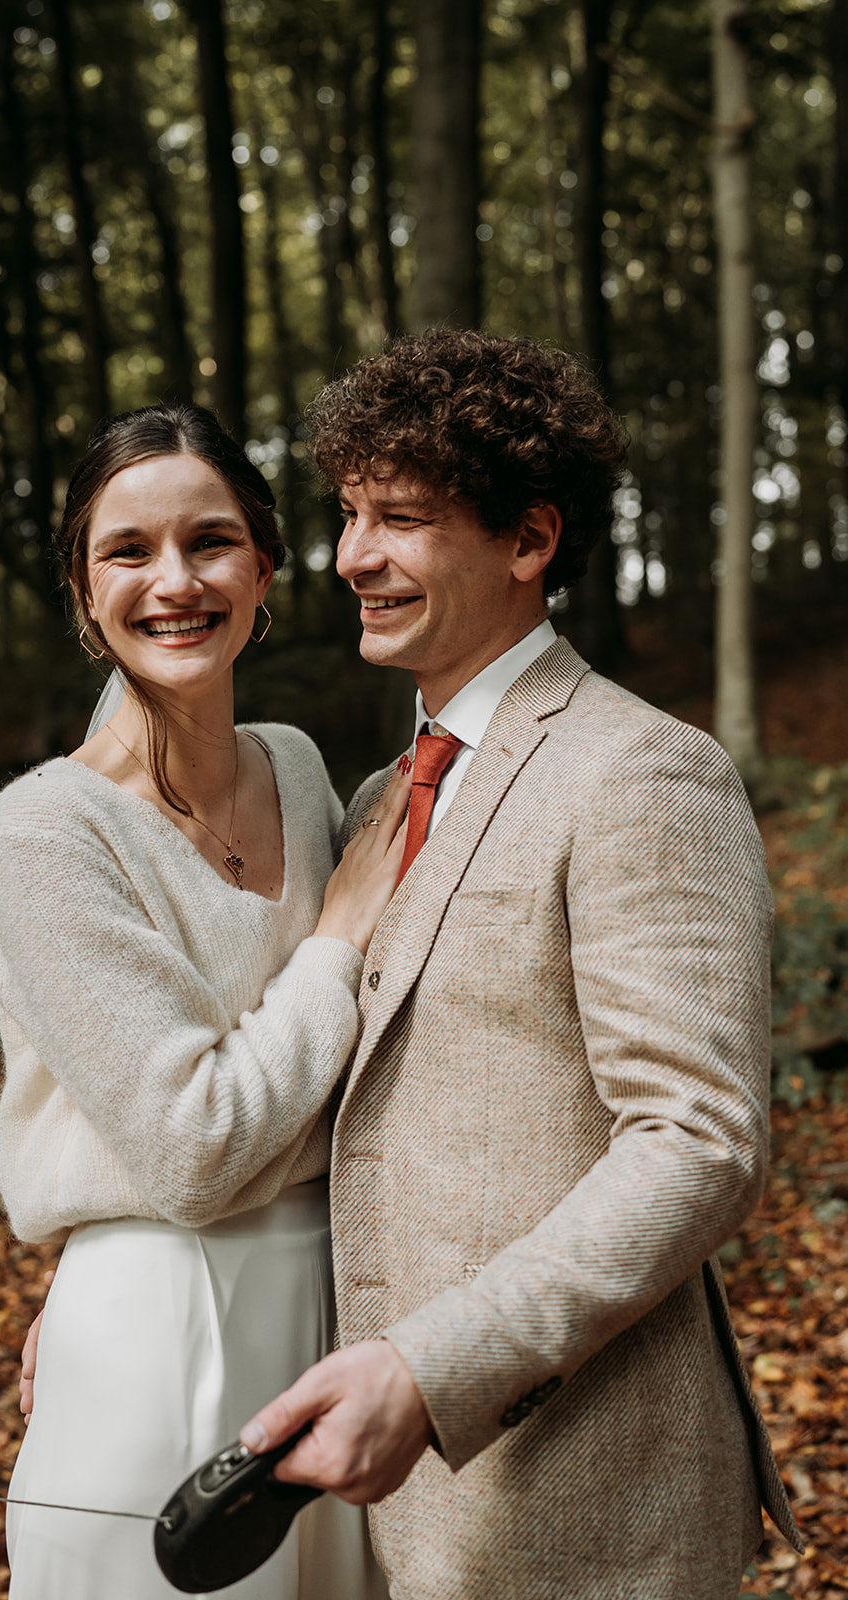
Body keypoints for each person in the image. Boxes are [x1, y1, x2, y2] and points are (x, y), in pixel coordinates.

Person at [228, 330, 804, 1599]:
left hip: (588, 1503)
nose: (351, 556)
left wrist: (432, 1368)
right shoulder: (377, 799)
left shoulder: (642, 771)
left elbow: (695, 1140)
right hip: (386, 1517)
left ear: (528, 539)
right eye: (346, 515)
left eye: (399, 519)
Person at [0, 403, 405, 1599]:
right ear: (84, 588)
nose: (174, 581)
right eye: (127, 550)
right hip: (155, 1318)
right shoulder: (49, 828)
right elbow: (191, 1147)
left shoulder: (296, 764)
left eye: (209, 541)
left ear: (263, 567)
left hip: (338, 1307)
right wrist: (333, 939)